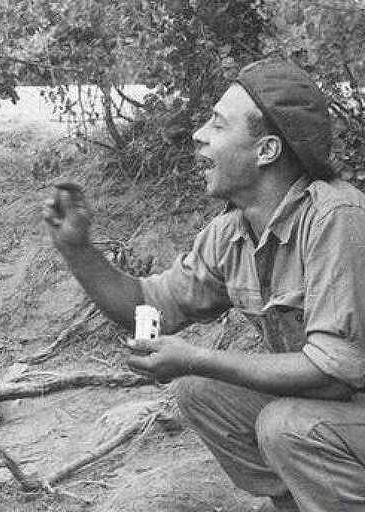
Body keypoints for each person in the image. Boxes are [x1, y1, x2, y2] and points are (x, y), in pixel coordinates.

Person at [43, 58, 365, 512]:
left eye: (217, 124)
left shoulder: (338, 219)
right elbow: (145, 303)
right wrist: (78, 250)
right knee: (201, 393)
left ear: (267, 150)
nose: (199, 135)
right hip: (343, 417)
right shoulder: (232, 233)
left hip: (344, 408)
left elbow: (331, 375)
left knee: (286, 424)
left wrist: (198, 356)